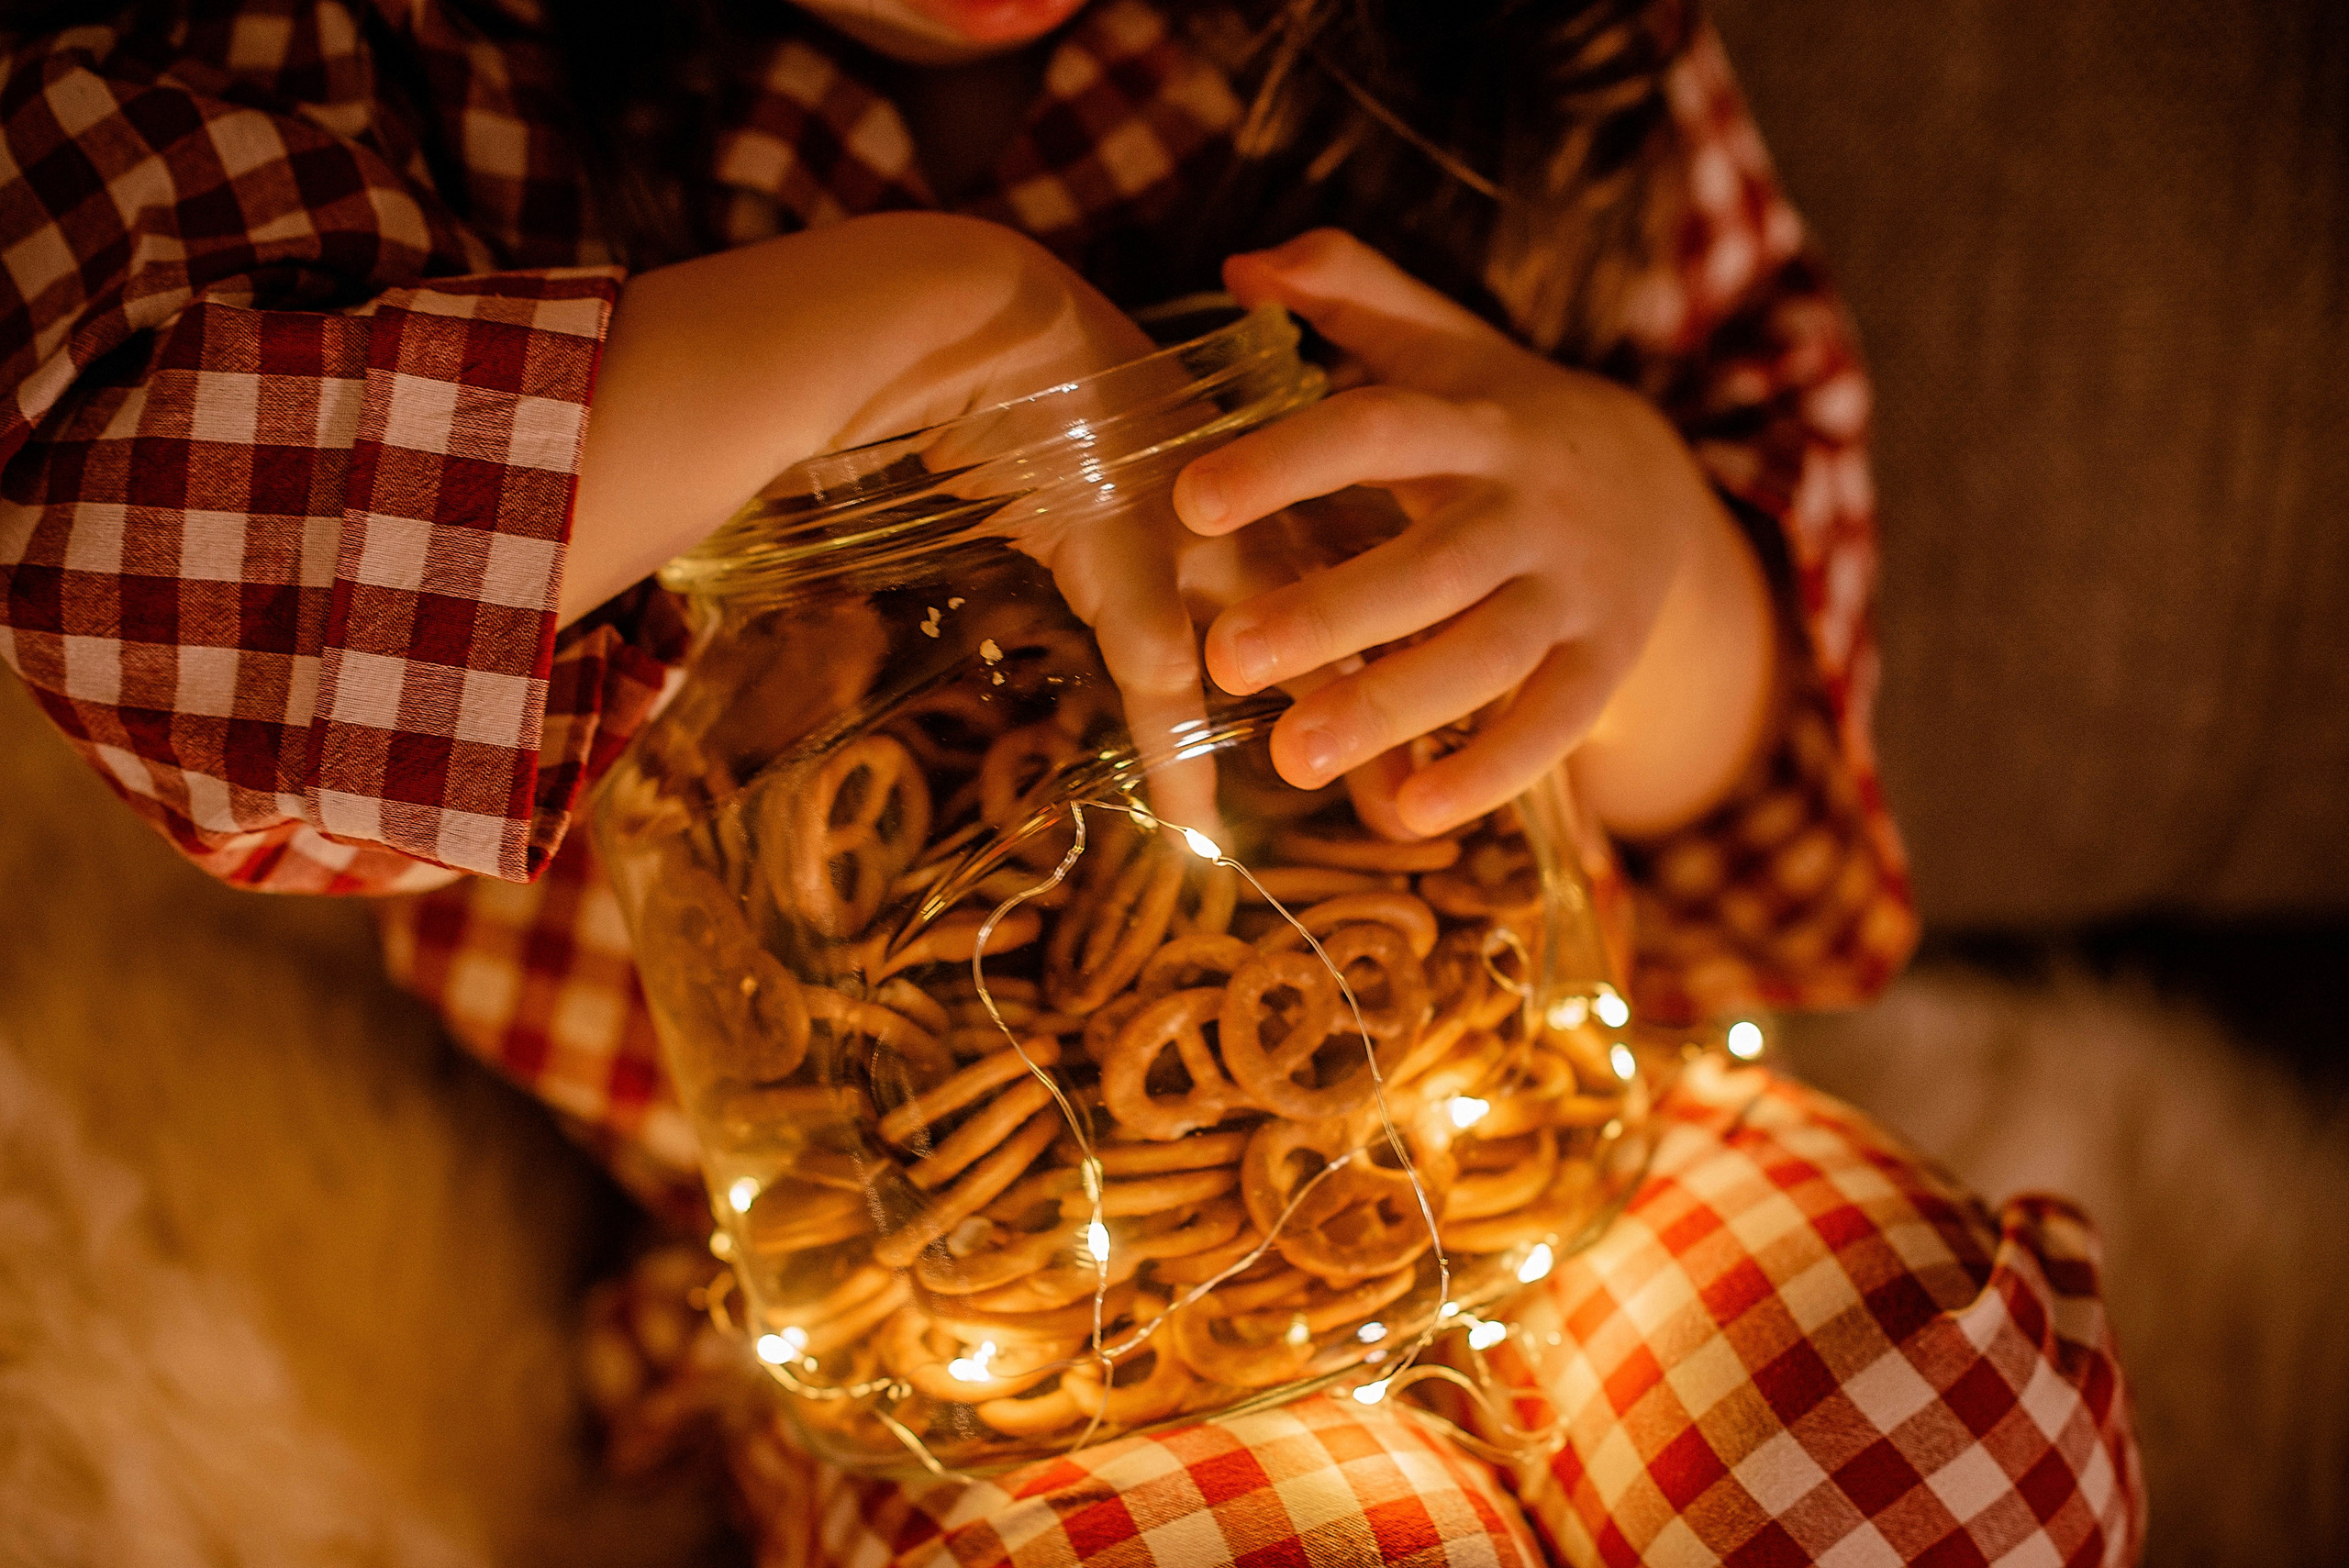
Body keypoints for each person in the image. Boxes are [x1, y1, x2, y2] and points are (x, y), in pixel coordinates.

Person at [0, 0, 2143, 1561]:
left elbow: (1733, 765)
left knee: (1925, 1432)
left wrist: (1650, 540)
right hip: (953, 1317)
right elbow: (175, 595)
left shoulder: (1532, 55)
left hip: (1541, 1129)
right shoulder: (375, 72)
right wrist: (919, 327)